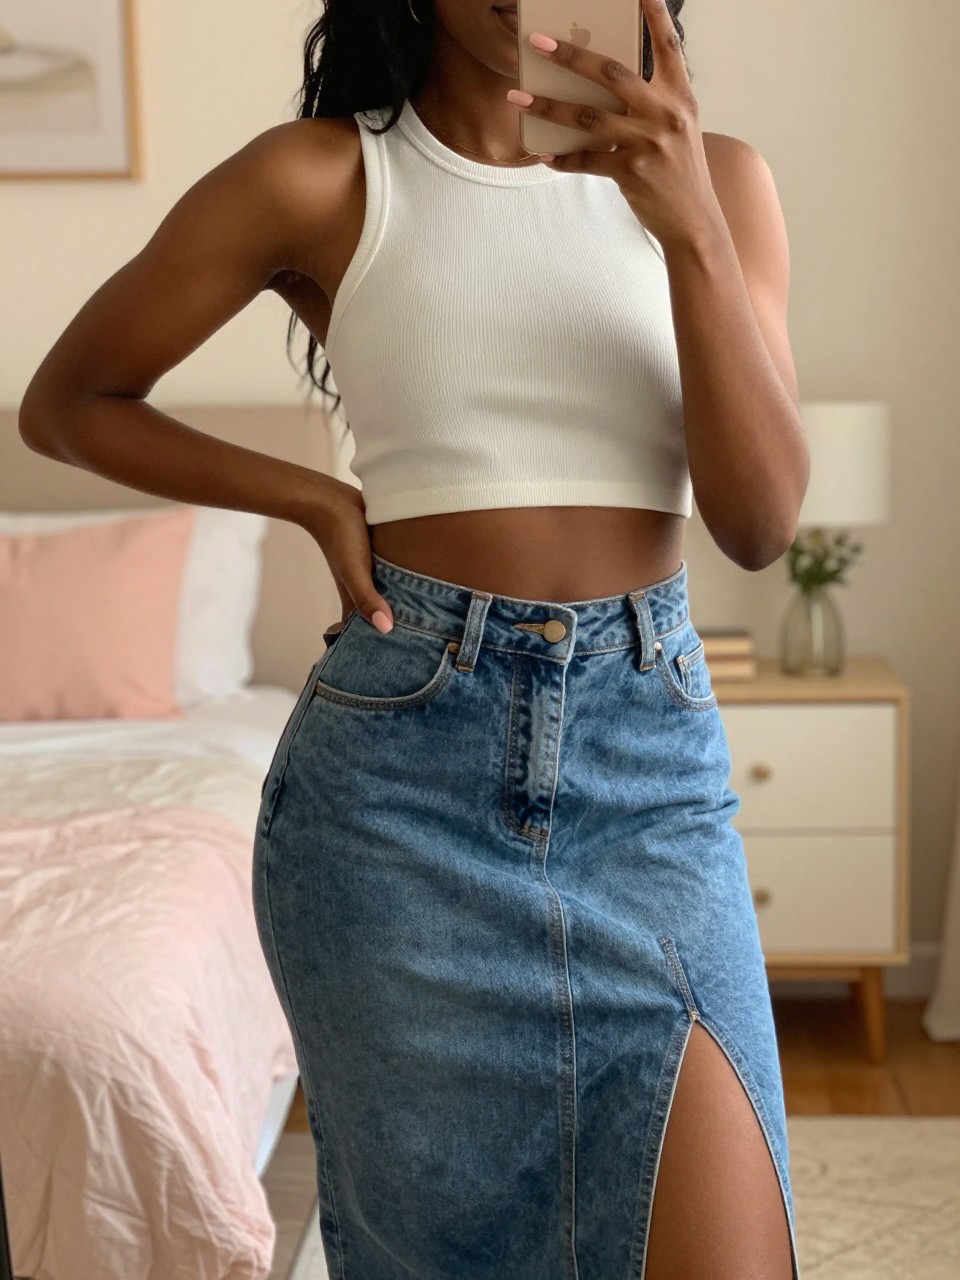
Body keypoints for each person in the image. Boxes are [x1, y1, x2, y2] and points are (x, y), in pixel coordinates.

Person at [19, 1, 808, 1276]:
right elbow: (69, 402)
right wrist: (314, 495)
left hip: (649, 775)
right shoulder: (324, 175)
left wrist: (692, 229)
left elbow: (762, 520)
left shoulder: (720, 180)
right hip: (398, 795)